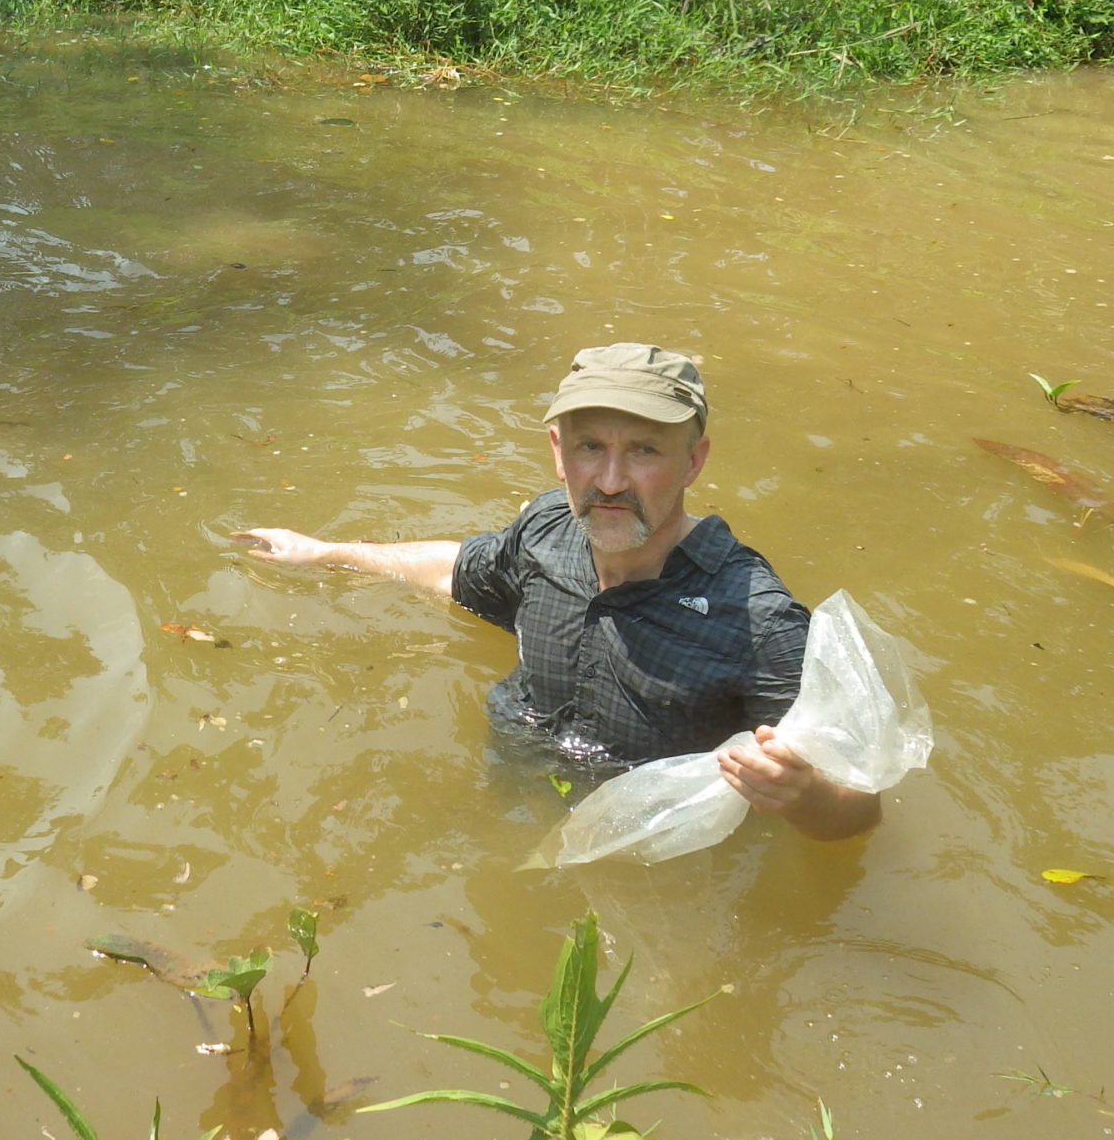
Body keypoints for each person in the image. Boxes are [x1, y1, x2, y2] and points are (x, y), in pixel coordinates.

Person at [232, 343, 879, 841]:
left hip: (646, 851)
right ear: (557, 452)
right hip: (510, 792)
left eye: (645, 451)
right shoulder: (546, 532)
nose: (612, 479)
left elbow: (859, 805)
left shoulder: (757, 622)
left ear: (694, 461)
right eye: (590, 447)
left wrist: (805, 798)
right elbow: (454, 571)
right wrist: (328, 554)